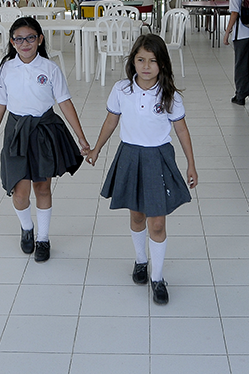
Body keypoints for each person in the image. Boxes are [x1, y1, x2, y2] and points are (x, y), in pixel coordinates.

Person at [84, 34, 197, 306]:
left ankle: (157, 278)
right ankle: (140, 261)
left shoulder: (169, 95)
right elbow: (111, 122)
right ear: (133, 61)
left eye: (153, 61)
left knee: (157, 222)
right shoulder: (122, 90)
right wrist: (97, 148)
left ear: (162, 65)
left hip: (158, 157)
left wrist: (191, 163)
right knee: (137, 216)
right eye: (140, 60)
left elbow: (181, 129)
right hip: (130, 156)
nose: (146, 66)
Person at [0, 17, 91, 263]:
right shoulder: (7, 69)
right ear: (12, 42)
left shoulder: (49, 68)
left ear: (40, 39)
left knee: (42, 187)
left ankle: (43, 238)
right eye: (19, 39)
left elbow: (64, 102)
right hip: (16, 132)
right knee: (19, 191)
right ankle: (27, 228)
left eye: (30, 38)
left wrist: (81, 136)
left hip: (43, 131)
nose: (25, 43)